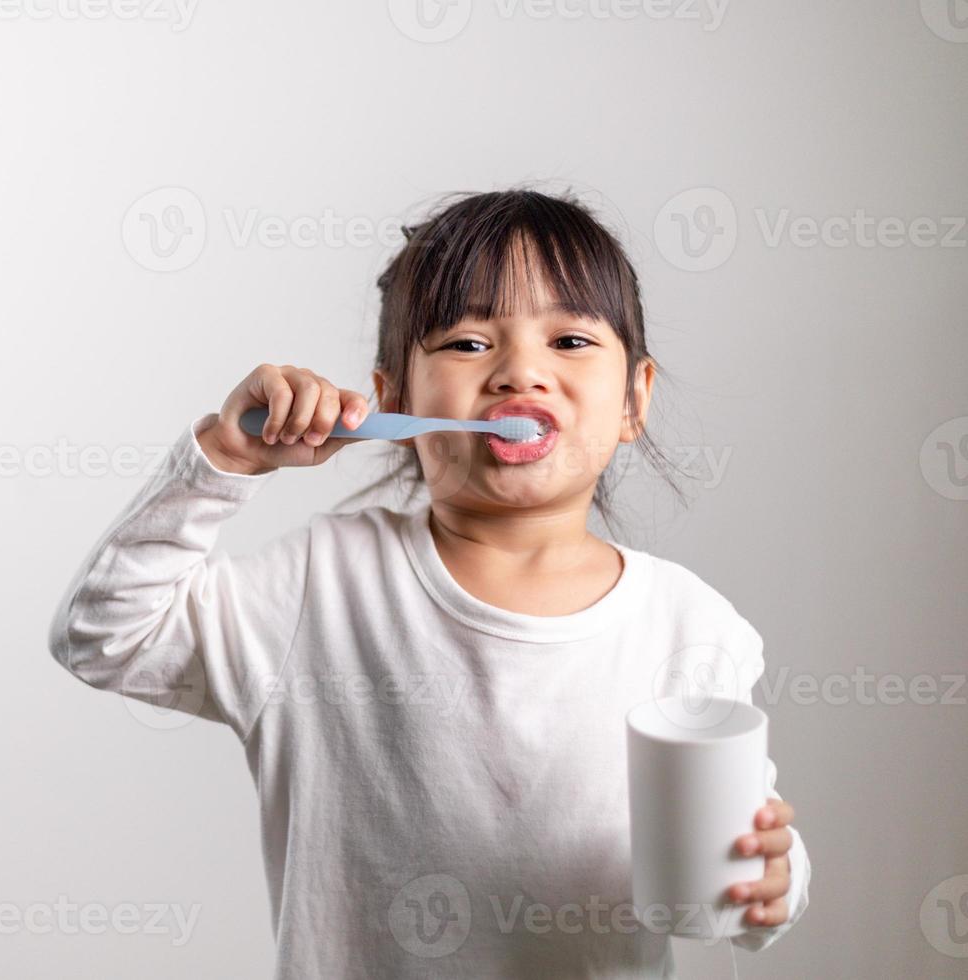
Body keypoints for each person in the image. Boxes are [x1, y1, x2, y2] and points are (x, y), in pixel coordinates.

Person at [47, 187, 810, 978]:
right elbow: (104, 636)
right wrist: (226, 459)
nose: (522, 372)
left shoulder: (689, 626)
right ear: (392, 403)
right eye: (470, 343)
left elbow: (743, 880)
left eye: (571, 341)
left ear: (634, 399)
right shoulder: (322, 586)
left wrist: (771, 883)